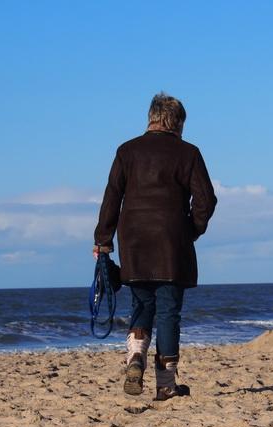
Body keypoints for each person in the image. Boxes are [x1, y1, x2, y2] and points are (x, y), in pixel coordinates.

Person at [93, 93, 217, 401]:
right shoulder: (188, 153)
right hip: (171, 243)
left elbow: (112, 198)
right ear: (177, 122)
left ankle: (135, 357)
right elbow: (206, 200)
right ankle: (165, 385)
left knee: (142, 304)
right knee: (169, 312)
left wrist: (103, 241)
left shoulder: (126, 151)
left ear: (151, 117)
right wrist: (190, 230)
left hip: (133, 240)